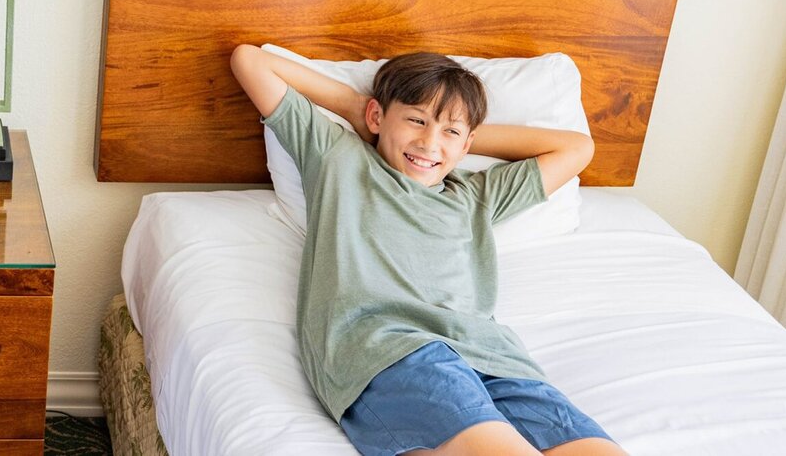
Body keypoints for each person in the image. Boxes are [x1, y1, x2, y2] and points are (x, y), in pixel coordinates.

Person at [229, 45, 622, 456]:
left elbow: (577, 149)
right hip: (390, 350)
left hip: (496, 361)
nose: (428, 142)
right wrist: (357, 109)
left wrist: (458, 134)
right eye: (415, 120)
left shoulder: (475, 196)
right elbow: (250, 61)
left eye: (449, 133)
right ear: (378, 116)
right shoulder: (337, 157)